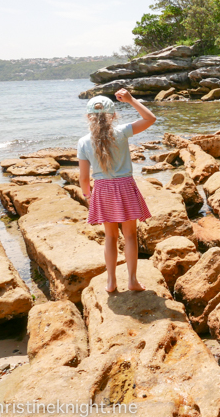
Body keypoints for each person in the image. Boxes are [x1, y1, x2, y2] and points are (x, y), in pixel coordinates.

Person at [78, 89, 156, 293]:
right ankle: (132, 280)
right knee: (130, 235)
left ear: (88, 117)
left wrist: (88, 196)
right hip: (125, 186)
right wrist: (131, 100)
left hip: (102, 190)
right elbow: (150, 118)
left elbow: (84, 178)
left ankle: (111, 282)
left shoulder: (84, 142)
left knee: (110, 237)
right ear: (113, 115)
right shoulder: (121, 132)